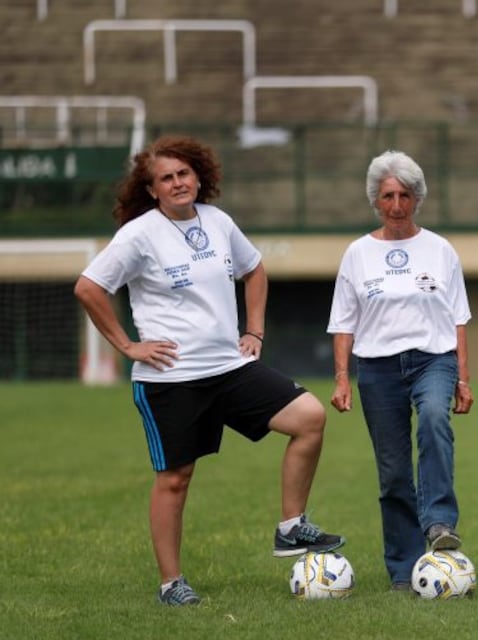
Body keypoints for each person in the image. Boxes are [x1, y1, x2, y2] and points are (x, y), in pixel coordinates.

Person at [74, 135, 345, 606]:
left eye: (183, 173)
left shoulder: (219, 222)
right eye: (166, 178)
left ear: (199, 176)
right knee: (176, 479)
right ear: (152, 190)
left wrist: (254, 332)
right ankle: (171, 584)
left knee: (308, 417)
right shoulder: (139, 234)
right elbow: (89, 288)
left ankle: (290, 527)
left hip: (231, 368)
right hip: (171, 378)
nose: (177, 183)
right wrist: (127, 345)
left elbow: (255, 270)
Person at [327, 150, 474, 591]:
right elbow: (343, 322)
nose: (395, 204)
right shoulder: (357, 254)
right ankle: (404, 567)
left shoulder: (440, 249)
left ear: (417, 198)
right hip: (377, 368)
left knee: (433, 419)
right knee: (392, 471)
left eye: (404, 195)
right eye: (387, 196)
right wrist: (340, 378)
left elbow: (458, 317)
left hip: (434, 359)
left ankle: (439, 523)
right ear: (376, 200)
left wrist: (463, 378)